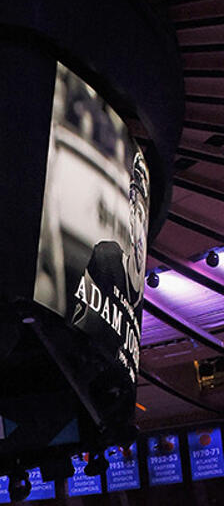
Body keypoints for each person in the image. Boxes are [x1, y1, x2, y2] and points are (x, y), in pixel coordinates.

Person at [70, 151, 149, 381]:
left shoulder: (139, 305)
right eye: (137, 212)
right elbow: (75, 334)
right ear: (132, 214)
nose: (140, 227)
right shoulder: (107, 259)